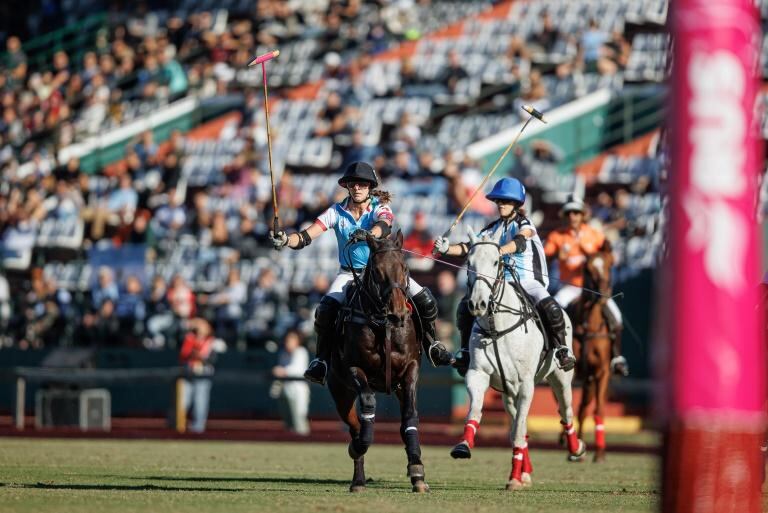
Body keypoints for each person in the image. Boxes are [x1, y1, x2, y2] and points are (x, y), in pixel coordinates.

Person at [270, 161, 455, 386]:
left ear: (370, 187)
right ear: (347, 187)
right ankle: (321, 361)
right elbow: (306, 236)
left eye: (362, 184)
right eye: (353, 184)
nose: (357, 188)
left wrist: (367, 233)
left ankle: (432, 345)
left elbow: (384, 225)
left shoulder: (379, 206)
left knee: (425, 301)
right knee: (325, 310)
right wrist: (286, 239)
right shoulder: (335, 212)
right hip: (349, 273)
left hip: (382, 273)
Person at [433, 177, 577, 375]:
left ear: (516, 204)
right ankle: (466, 352)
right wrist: (447, 248)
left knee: (551, 306)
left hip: (527, 279)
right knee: (465, 306)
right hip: (500, 282)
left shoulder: (524, 223)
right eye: (499, 201)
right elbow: (470, 248)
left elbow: (520, 242)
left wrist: (498, 251)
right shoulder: (492, 228)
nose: (501, 205)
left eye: (506, 201)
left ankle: (561, 349)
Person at [543, 196, 628, 376]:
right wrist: (556, 255)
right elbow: (544, 256)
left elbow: (610, 256)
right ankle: (552, 352)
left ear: (582, 215)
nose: (573, 216)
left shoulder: (594, 234)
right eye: (569, 212)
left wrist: (598, 257)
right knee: (553, 310)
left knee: (617, 316)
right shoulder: (557, 236)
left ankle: (616, 357)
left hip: (594, 289)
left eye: (576, 212)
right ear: (565, 215)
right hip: (570, 287)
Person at [178, 318, 216, 433]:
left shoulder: (212, 341)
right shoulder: (190, 337)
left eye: (203, 325)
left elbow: (210, 358)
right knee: (183, 398)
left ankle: (198, 426)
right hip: (189, 370)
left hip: (203, 372)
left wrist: (198, 355)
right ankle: (179, 423)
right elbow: (184, 354)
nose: (200, 328)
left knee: (200, 399)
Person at [271, 329, 311, 435]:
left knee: (299, 419)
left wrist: (282, 371)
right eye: (287, 339)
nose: (288, 342)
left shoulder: (301, 352)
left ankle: (303, 441)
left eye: (291, 339)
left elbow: (299, 370)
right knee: (288, 421)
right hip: (284, 392)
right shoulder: (283, 353)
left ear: (297, 341)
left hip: (298, 392)